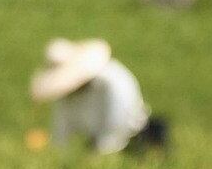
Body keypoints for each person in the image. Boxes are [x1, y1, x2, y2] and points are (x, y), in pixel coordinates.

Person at [31, 38, 166, 153]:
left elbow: (117, 126)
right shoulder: (67, 96)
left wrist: (98, 156)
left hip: (136, 140)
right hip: (96, 143)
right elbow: (61, 131)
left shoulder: (113, 83)